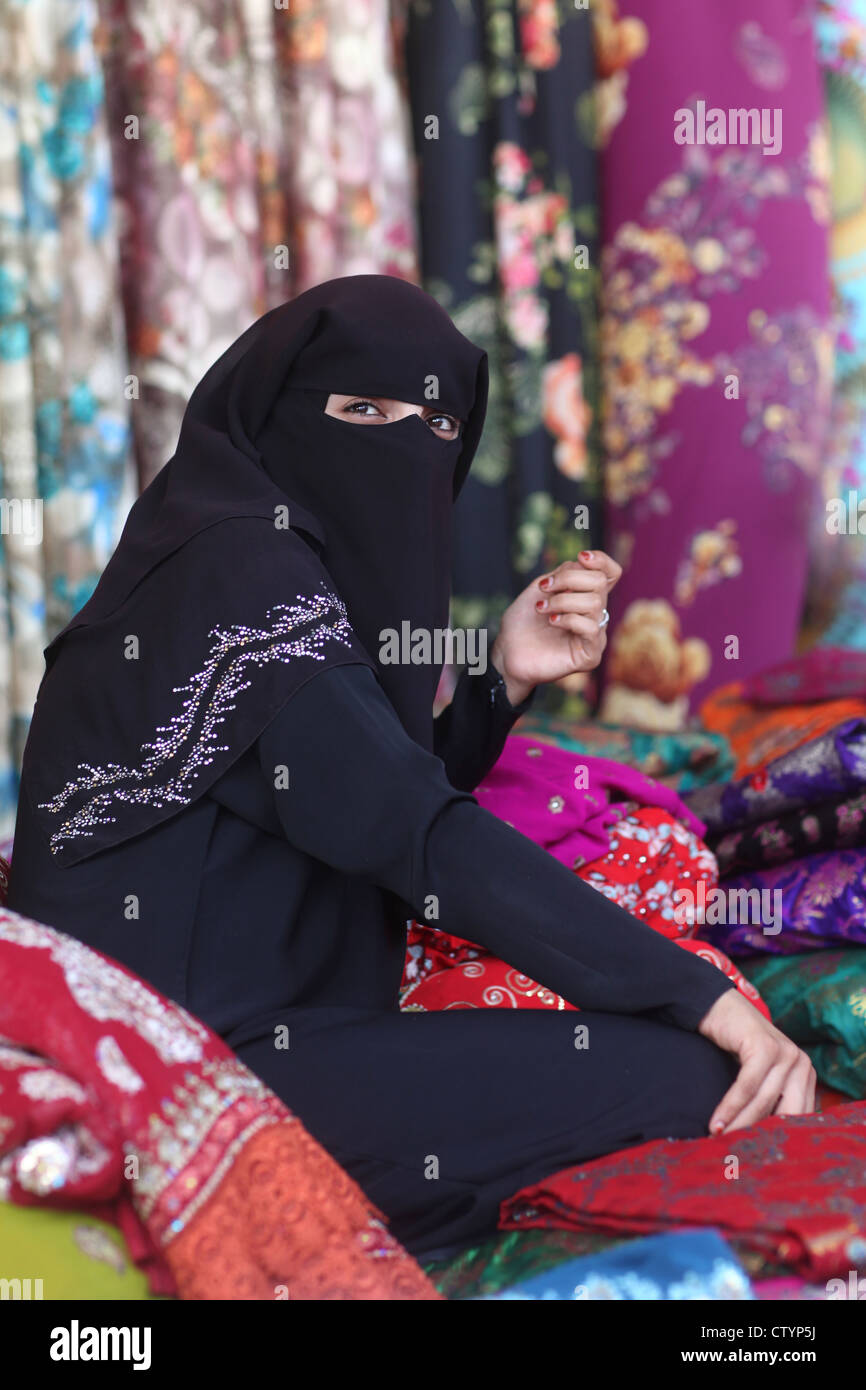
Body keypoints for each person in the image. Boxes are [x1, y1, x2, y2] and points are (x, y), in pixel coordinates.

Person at [7, 275, 815, 1259]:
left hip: (243, 1040)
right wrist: (696, 993)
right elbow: (408, 831)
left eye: (436, 424)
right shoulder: (237, 573)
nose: (399, 445)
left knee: (655, 1070)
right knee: (696, 1079)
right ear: (269, 412)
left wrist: (496, 679)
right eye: (360, 410)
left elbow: (344, 792)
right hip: (182, 1069)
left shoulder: (230, 556)